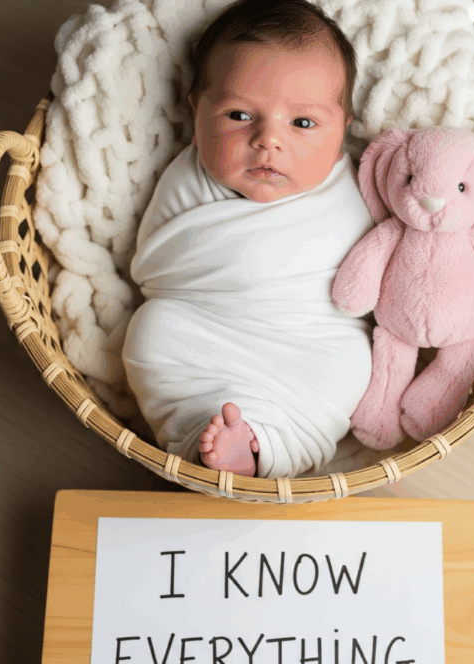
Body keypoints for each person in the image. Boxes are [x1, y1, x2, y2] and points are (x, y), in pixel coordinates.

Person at [122, 0, 374, 478]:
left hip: (313, 342)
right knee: (152, 332)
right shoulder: (188, 179)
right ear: (197, 116)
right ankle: (205, 438)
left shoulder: (358, 184)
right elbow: (158, 266)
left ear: (342, 131)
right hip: (201, 328)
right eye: (239, 115)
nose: (268, 140)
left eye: (302, 123)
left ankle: (270, 449)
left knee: (352, 363)